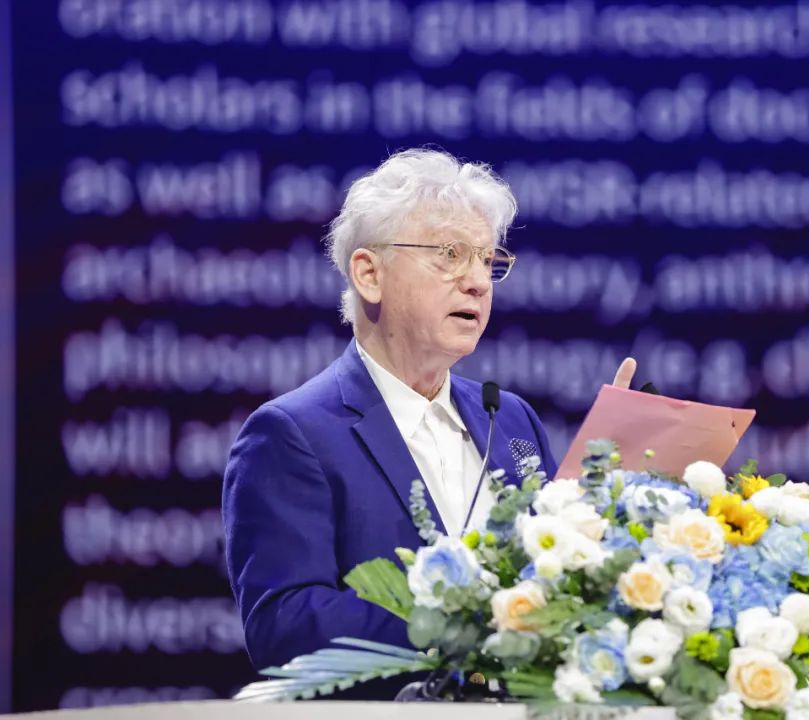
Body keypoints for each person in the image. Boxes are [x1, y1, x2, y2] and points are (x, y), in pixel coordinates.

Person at [222, 149, 636, 693]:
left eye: (487, 261)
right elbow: (286, 628)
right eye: (450, 254)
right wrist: (472, 619)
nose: (478, 282)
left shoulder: (511, 419)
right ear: (369, 274)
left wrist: (601, 509)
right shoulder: (291, 435)